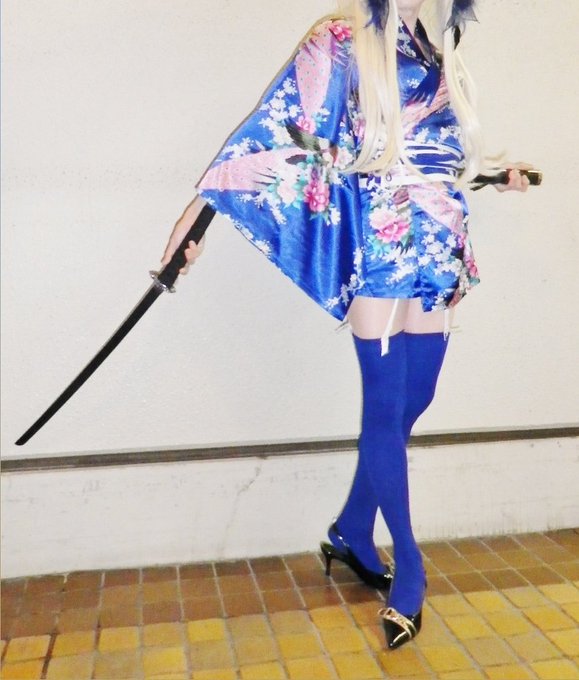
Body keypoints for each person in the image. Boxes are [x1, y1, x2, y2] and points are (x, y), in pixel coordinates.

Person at [162, 0, 530, 650]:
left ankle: (351, 530)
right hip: (382, 242)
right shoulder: (341, 37)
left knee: (416, 397)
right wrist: (193, 222)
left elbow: (430, 147)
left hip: (438, 239)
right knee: (385, 408)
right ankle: (409, 567)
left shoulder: (435, 47)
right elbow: (277, 134)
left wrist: (493, 174)